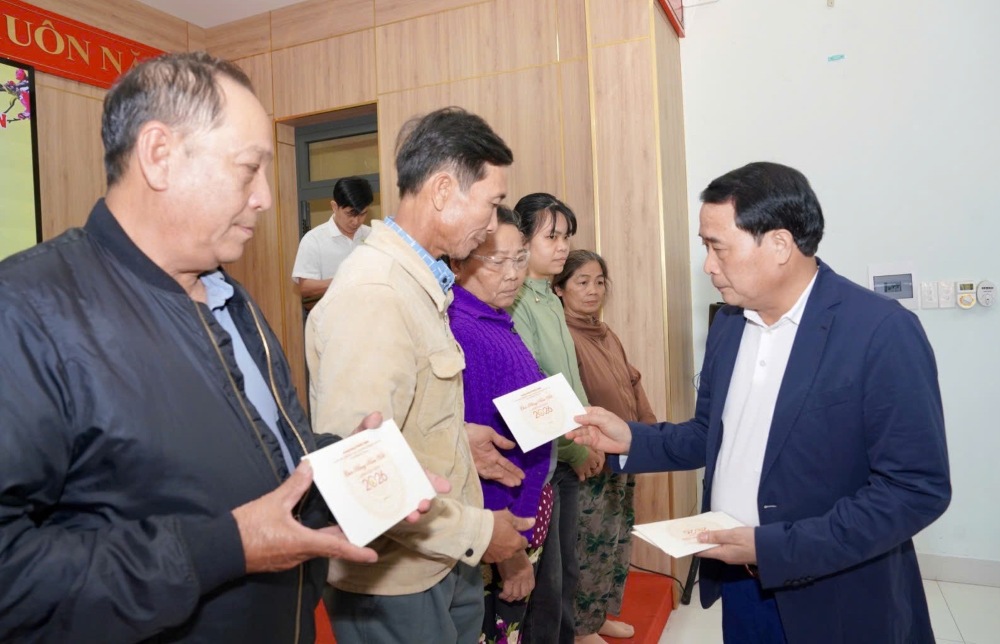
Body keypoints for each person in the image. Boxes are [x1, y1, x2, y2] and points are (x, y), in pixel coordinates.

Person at [0, 52, 442, 643]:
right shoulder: (28, 312)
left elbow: (270, 457)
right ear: (159, 156)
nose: (264, 197)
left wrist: (344, 470)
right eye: (247, 169)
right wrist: (223, 549)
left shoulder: (228, 296)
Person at [569, 162, 951, 644]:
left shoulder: (879, 331)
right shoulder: (730, 324)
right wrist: (631, 439)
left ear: (779, 245)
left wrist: (775, 548)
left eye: (717, 247)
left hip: (837, 592)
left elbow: (915, 489)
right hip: (740, 586)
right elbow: (713, 434)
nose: (707, 264)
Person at [305, 107, 534, 644]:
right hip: (391, 579)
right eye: (492, 203)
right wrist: (482, 532)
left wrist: (455, 436)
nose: (494, 222)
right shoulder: (376, 294)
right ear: (443, 189)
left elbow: (406, 413)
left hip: (432, 560)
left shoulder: (419, 284)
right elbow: (358, 470)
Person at [449, 205, 555, 643]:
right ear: (460, 261)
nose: (512, 273)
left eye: (519, 259)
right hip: (504, 523)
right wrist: (511, 545)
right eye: (497, 260)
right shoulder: (464, 327)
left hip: (522, 513)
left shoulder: (496, 319)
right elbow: (480, 450)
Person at [509, 193, 603, 644]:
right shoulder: (518, 300)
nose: (562, 246)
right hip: (543, 456)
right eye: (552, 236)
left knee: (563, 572)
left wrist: (585, 437)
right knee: (542, 586)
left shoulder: (548, 295)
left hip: (562, 451)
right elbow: (534, 391)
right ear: (521, 239)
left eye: (566, 236)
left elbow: (570, 383)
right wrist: (575, 446)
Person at [553, 250, 657, 643]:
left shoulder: (604, 331)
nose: (593, 290)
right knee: (588, 542)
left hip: (624, 451)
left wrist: (649, 433)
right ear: (559, 289)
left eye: (599, 281)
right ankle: (580, 628)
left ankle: (599, 616)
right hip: (590, 455)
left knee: (616, 536)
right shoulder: (563, 334)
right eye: (581, 282)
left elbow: (632, 381)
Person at [292, 175, 374, 303]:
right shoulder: (314, 240)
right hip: (330, 319)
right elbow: (305, 287)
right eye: (350, 214)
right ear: (334, 206)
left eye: (362, 214)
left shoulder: (372, 236)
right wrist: (343, 280)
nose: (356, 221)